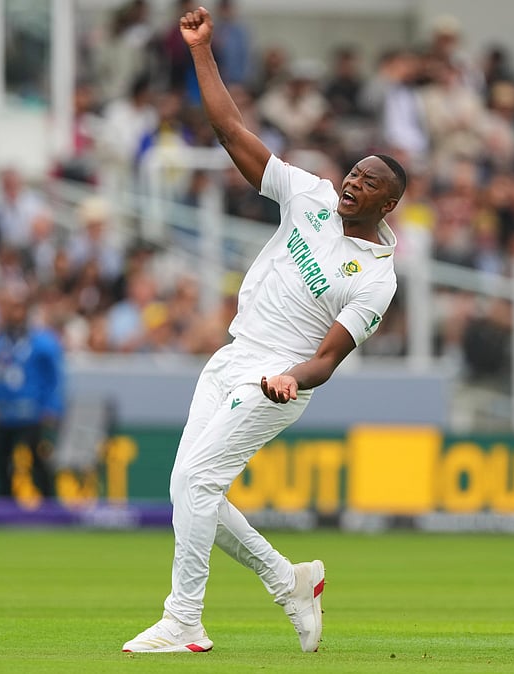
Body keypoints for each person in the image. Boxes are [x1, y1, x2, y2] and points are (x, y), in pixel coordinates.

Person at [121, 7, 404, 655]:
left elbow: (328, 359)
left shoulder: (377, 277)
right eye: (354, 173)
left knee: (198, 484)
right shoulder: (312, 195)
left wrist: (290, 378)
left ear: (388, 203)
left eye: (368, 182)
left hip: (276, 379)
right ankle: (288, 580)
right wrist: (201, 51)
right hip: (232, 356)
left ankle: (184, 621)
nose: (352, 183)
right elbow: (229, 129)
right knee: (187, 488)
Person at [0, 286, 64, 499]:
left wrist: (52, 407)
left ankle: (47, 498)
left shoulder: (42, 342)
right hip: (7, 413)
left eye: (17, 308)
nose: (12, 313)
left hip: (33, 412)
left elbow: (54, 377)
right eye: (8, 308)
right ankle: (5, 496)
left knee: (36, 456)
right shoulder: (0, 343)